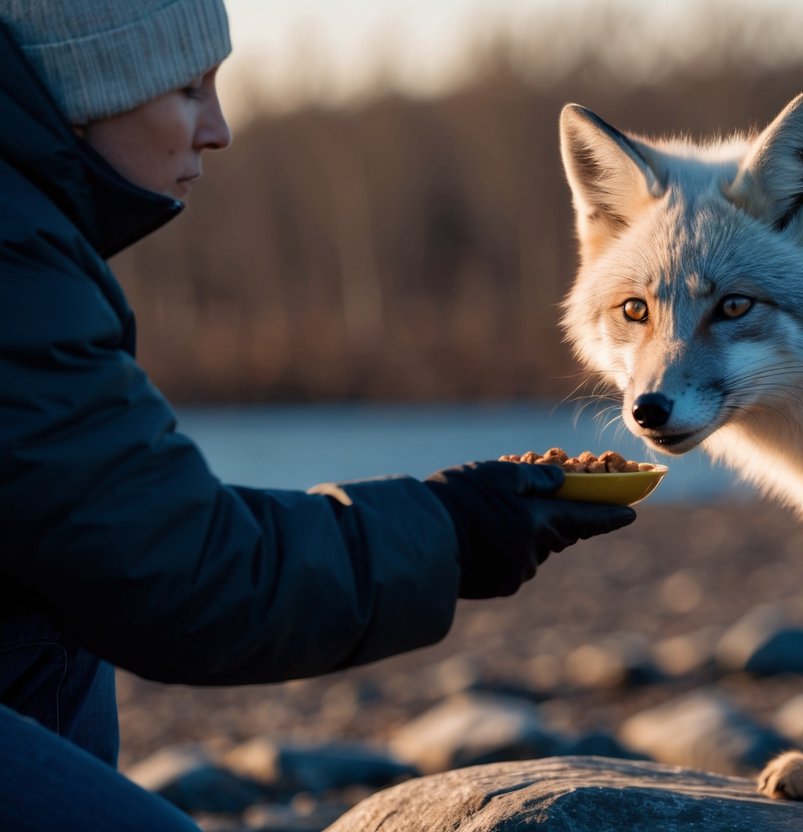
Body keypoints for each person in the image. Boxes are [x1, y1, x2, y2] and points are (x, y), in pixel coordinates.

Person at [0, 1, 636, 828]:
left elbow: (118, 535)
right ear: (83, 90)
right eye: (189, 89)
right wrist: (455, 526)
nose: (220, 129)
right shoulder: (14, 257)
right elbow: (185, 573)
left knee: (49, 593)